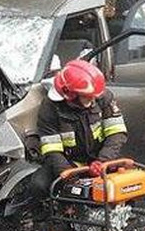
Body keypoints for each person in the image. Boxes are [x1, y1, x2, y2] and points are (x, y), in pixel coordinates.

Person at [27, 60, 128, 201]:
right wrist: (68, 175)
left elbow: (117, 133)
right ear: (71, 95)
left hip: (102, 158)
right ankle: (50, 215)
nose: (93, 100)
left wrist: (102, 161)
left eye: (94, 96)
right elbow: (51, 148)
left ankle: (119, 213)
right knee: (39, 185)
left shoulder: (102, 97)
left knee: (120, 185)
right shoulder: (50, 107)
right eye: (87, 97)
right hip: (70, 161)